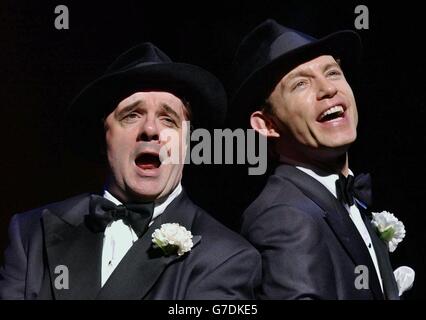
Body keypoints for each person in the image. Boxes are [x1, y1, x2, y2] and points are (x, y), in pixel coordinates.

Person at [0, 42, 261, 299]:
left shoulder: (226, 257)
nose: (150, 129)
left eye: (168, 119)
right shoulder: (31, 232)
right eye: (132, 115)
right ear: (105, 138)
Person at [230, 19, 400, 299]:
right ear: (267, 125)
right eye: (300, 84)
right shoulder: (283, 216)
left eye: (333, 72)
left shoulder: (340, 195)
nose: (328, 89)